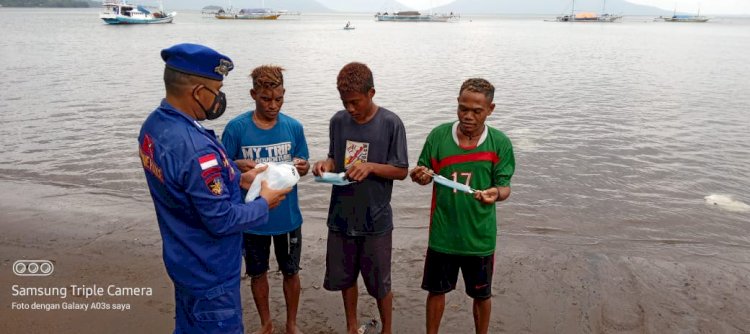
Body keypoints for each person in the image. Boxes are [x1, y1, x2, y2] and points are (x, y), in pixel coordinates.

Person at [138, 43, 291, 334]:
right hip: (211, 270)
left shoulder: (154, 126)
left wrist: (235, 176)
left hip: (183, 258)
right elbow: (221, 219)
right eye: (217, 89)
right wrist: (264, 202)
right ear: (198, 92)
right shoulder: (197, 151)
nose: (220, 97)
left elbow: (183, 183)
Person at [409, 78, 515, 334]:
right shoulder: (438, 136)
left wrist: (495, 193)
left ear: (490, 109)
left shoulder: (499, 143)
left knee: (481, 295)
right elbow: (423, 171)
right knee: (436, 291)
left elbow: (505, 187)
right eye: (462, 108)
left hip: (479, 237)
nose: (468, 116)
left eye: (476, 111)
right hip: (443, 234)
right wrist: (419, 175)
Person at [312, 62, 408, 334]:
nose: (350, 109)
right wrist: (326, 165)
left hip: (375, 218)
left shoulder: (390, 123)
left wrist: (371, 166)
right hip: (341, 215)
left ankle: (387, 329)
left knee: (380, 283)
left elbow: (401, 170)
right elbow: (334, 157)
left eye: (355, 102)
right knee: (345, 278)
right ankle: (352, 327)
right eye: (345, 103)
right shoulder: (338, 121)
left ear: (371, 93)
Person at [221, 65, 309, 334]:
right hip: (252, 219)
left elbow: (302, 165)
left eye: (279, 99)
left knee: (291, 272)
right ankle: (266, 323)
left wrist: (303, 167)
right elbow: (221, 172)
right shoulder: (236, 129)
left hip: (288, 217)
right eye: (266, 99)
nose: (273, 105)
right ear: (253, 94)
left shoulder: (294, 127)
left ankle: (291, 324)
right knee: (257, 273)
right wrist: (236, 165)